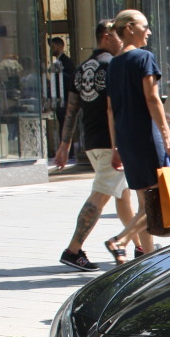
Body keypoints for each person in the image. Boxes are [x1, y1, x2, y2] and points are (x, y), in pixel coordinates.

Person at [54, 19, 134, 270]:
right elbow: (117, 106)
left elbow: (71, 110)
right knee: (99, 196)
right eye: (117, 34)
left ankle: (142, 245)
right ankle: (72, 250)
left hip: (92, 140)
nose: (121, 39)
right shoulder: (113, 65)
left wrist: (65, 144)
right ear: (106, 36)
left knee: (123, 196)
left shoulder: (80, 68)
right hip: (111, 144)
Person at [106, 8, 170, 256]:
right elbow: (152, 99)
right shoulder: (144, 58)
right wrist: (166, 135)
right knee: (156, 200)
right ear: (130, 28)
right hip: (145, 135)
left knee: (145, 201)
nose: (149, 32)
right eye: (145, 26)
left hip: (126, 136)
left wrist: (115, 146)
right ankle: (121, 241)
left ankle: (146, 255)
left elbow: (111, 108)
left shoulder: (114, 64)